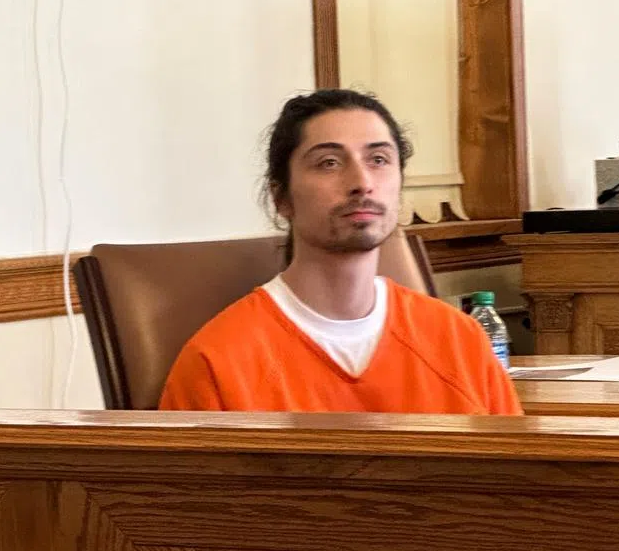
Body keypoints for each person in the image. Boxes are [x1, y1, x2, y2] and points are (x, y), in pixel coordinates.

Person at [159, 89, 521, 415]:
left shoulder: (460, 340)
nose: (362, 183)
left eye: (378, 159)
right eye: (329, 163)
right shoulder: (216, 362)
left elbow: (518, 481)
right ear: (281, 197)